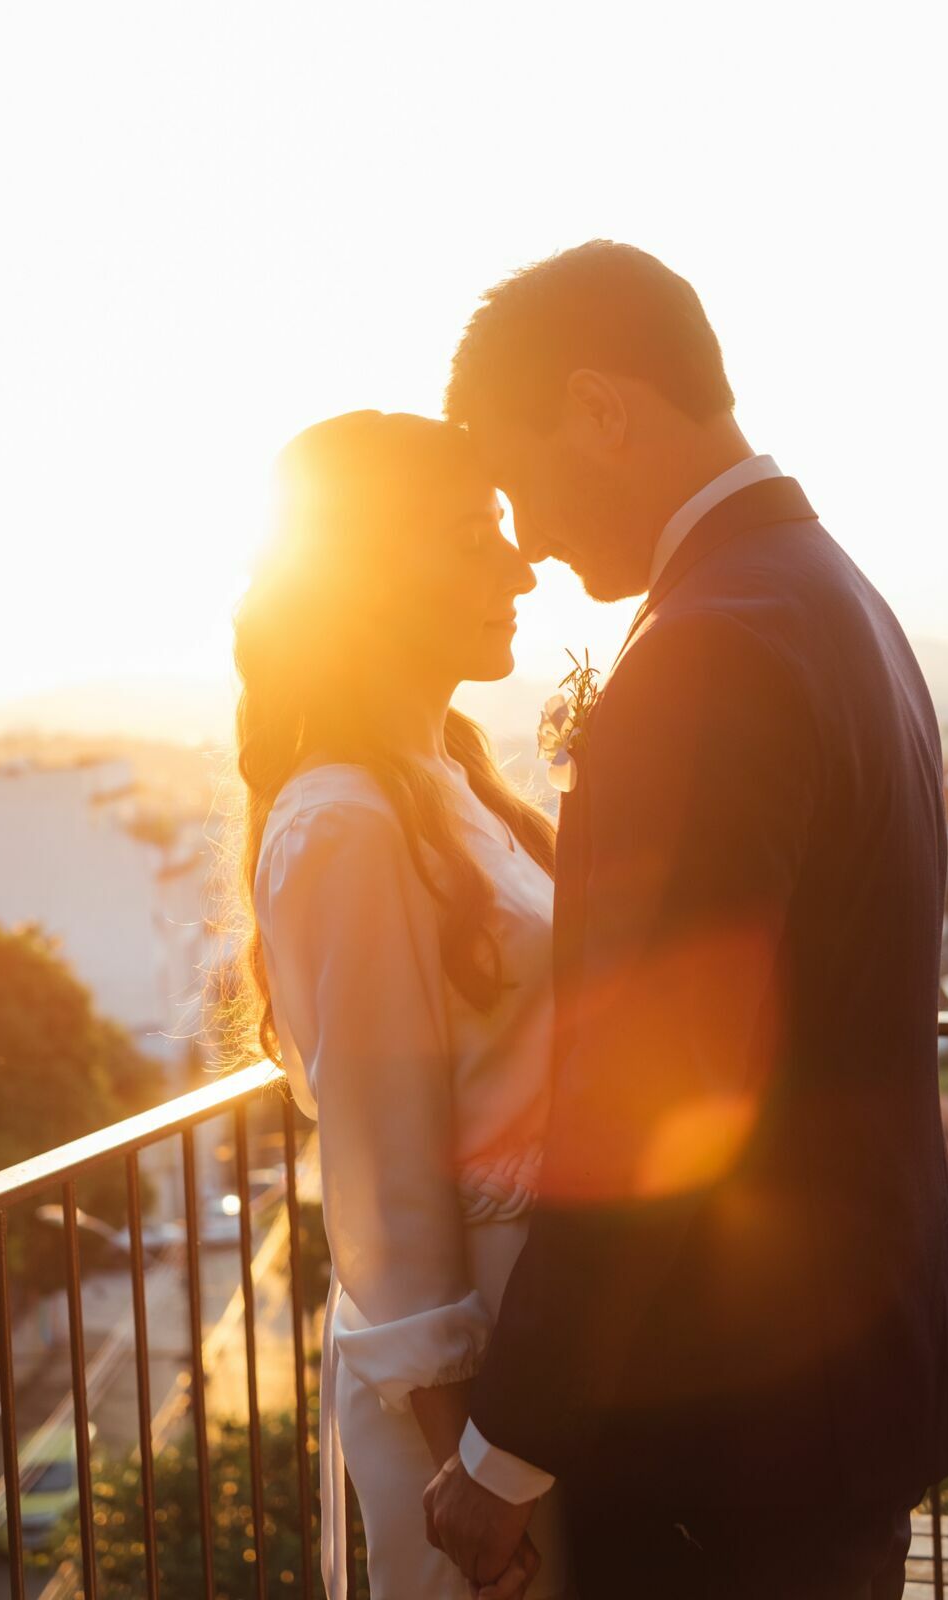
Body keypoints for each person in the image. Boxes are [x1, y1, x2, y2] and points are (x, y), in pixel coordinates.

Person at [424, 240, 948, 1599]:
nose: (529, 541)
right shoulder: (831, 593)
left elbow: (651, 1092)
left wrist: (503, 1448)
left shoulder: (708, 647)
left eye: (518, 478)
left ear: (601, 409)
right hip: (844, 1384)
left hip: (731, 1423)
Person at [233, 411, 570, 1598]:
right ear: (372, 575)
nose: (519, 565)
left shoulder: (448, 777)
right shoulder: (343, 822)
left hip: (535, 1376)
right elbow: (382, 1176)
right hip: (466, 1411)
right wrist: (466, 1460)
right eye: (475, 538)